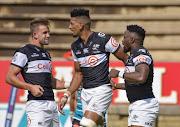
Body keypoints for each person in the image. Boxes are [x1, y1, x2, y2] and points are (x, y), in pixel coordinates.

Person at [58, 8, 128, 127]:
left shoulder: (104, 40)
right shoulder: (75, 46)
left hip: (102, 90)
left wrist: (129, 77)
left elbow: (125, 58)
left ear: (81, 25)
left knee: (86, 123)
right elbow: (78, 74)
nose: (69, 27)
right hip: (85, 93)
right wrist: (66, 95)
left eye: (71, 23)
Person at [5, 18, 70, 127]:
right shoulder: (24, 51)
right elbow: (9, 77)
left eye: (49, 32)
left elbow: (50, 81)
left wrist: (70, 84)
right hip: (37, 105)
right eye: (45, 33)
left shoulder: (46, 53)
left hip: (52, 104)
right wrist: (30, 87)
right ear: (35, 34)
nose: (48, 35)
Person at [109, 25, 159, 127]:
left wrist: (119, 74)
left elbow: (141, 77)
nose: (122, 41)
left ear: (132, 40)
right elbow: (136, 83)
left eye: (124, 37)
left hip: (144, 105)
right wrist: (116, 86)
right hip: (137, 105)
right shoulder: (133, 56)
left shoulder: (141, 55)